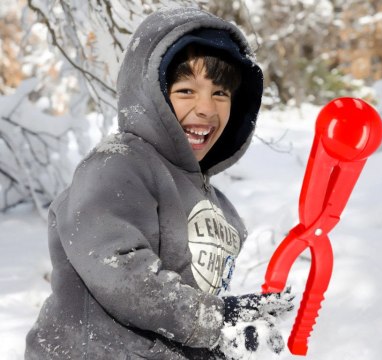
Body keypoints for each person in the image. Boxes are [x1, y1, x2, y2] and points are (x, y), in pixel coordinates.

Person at [25, 6, 293, 360]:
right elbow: (121, 272)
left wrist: (226, 341)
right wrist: (216, 318)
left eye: (220, 94)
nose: (206, 109)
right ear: (148, 93)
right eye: (186, 90)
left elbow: (189, 311)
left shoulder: (221, 209)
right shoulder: (116, 166)